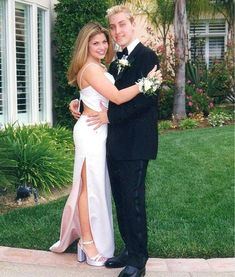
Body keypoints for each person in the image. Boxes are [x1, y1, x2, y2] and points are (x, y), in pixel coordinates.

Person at [50, 21, 158, 268]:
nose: (101, 46)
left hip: (102, 132)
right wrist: (146, 83)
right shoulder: (92, 68)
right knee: (87, 189)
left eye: (103, 41)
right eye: (95, 42)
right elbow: (117, 96)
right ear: (85, 45)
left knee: (98, 188)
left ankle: (96, 243)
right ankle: (87, 242)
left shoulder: (102, 65)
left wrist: (77, 101)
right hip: (91, 132)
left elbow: (92, 92)